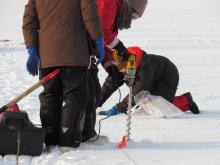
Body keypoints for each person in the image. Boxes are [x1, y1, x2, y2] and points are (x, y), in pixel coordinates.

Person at [22, 0, 104, 152]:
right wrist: (98, 39)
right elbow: (90, 15)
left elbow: (29, 22)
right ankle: (68, 140)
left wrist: (32, 49)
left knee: (50, 96)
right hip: (75, 54)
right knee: (74, 96)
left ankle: (51, 139)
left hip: (47, 56)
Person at [98, 46, 200, 116]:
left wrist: (118, 109)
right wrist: (96, 101)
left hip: (167, 77)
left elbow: (137, 92)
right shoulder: (120, 61)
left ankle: (186, 101)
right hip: (152, 79)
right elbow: (110, 84)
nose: (119, 71)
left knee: (159, 108)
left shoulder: (144, 68)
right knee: (144, 104)